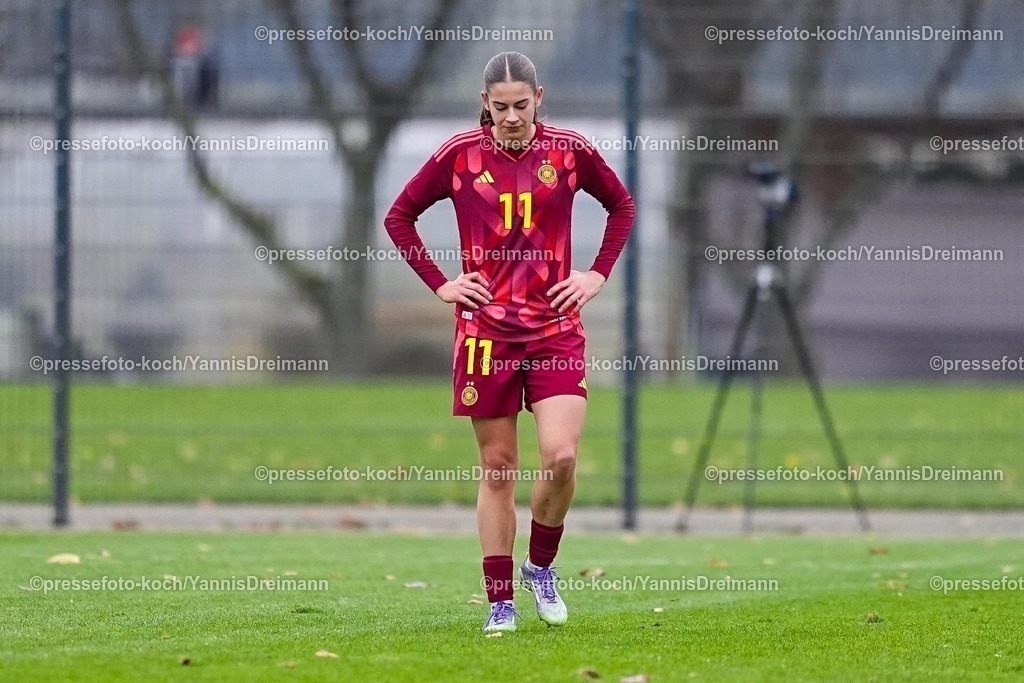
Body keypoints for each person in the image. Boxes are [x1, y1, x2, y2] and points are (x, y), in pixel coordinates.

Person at [384, 51, 634, 632]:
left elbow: (620, 205)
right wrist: (442, 283)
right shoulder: (458, 157)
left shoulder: (569, 152)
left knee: (562, 457)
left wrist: (595, 274)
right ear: (484, 104)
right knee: (497, 468)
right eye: (501, 108)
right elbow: (400, 217)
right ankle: (500, 602)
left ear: (539, 99)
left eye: (522, 105)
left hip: (554, 329)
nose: (512, 117)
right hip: (485, 334)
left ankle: (540, 567)